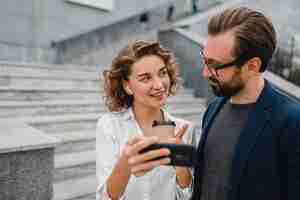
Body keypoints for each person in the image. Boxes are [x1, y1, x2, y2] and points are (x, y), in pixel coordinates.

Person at [191, 7, 300, 200]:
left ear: (252, 66)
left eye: (215, 66)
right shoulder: (214, 109)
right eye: (205, 60)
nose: (205, 73)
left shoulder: (290, 121)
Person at [96, 40, 198, 200]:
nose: (159, 85)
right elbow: (105, 197)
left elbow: (187, 196)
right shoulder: (109, 125)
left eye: (163, 73)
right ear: (127, 86)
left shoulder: (184, 128)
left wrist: (180, 162)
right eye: (145, 78)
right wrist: (126, 162)